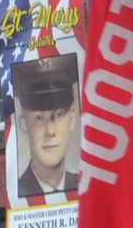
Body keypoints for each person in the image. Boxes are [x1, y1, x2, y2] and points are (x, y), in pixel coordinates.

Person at [8, 54, 83, 200]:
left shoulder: (85, 185)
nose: (50, 131)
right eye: (39, 118)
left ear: (72, 119)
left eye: (59, 114)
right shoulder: (18, 193)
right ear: (24, 127)